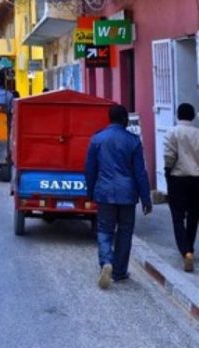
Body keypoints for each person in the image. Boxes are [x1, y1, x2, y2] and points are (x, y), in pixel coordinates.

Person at [85, 105, 152, 289]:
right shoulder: (133, 141)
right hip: (128, 194)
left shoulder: (97, 139)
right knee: (124, 231)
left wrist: (90, 192)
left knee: (105, 230)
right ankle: (119, 271)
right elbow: (140, 173)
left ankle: (106, 261)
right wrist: (146, 198)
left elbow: (90, 170)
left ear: (109, 119)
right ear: (125, 120)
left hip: (105, 192)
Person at [163, 103, 199, 272]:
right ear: (193, 116)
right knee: (194, 216)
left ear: (178, 115)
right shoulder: (198, 134)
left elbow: (169, 155)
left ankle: (185, 251)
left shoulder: (172, 132)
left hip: (178, 179)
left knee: (178, 216)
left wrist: (167, 171)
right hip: (196, 179)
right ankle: (190, 247)